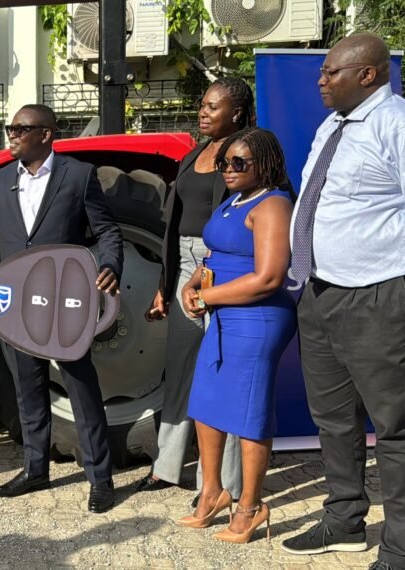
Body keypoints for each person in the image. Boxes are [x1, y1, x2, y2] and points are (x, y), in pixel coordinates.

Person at [0, 104, 123, 513]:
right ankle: (36, 469)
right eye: (10, 128)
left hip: (63, 305)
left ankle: (100, 479)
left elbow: (106, 230)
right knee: (27, 386)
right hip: (18, 305)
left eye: (20, 128)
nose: (11, 134)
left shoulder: (78, 175)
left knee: (81, 388)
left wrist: (109, 265)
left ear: (46, 134)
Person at [281, 33, 405, 570]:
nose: (321, 80)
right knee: (331, 418)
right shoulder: (333, 125)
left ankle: (400, 546)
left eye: (332, 72)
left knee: (394, 425)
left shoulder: (395, 123)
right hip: (319, 290)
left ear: (369, 75)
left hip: (378, 295)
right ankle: (344, 519)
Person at [176, 127, 296, 543]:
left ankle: (250, 507)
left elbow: (269, 277)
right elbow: (214, 254)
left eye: (239, 163)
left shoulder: (273, 205)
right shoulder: (234, 201)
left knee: (248, 412)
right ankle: (211, 493)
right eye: (226, 162)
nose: (228, 169)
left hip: (257, 320)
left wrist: (207, 295)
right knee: (206, 402)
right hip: (223, 315)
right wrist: (193, 285)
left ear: (264, 165)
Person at [138, 78, 251, 501]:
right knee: (182, 369)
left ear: (236, 113)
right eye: (202, 105)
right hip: (186, 263)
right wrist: (163, 284)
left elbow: (266, 206)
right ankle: (166, 467)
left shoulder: (248, 152)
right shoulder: (192, 155)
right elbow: (173, 223)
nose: (203, 112)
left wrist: (216, 261)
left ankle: (221, 482)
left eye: (213, 107)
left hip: (226, 264)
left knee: (220, 373)